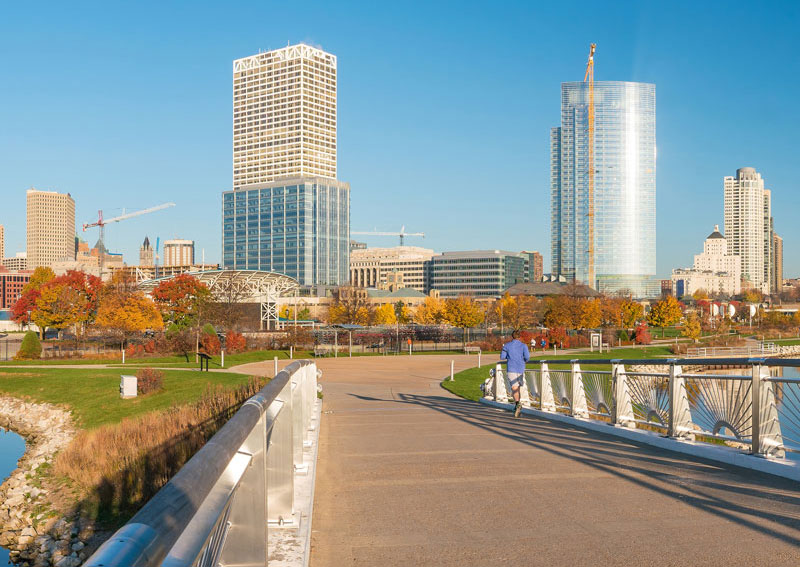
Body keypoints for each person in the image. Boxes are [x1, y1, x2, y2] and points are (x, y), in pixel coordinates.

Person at [500, 330, 531, 417]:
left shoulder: (507, 346)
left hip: (511, 368)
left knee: (514, 388)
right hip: (520, 368)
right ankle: (517, 405)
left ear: (512, 336)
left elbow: (502, 357)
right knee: (517, 388)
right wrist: (523, 360)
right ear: (520, 336)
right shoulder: (523, 346)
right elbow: (528, 357)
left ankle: (517, 404)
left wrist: (509, 356)